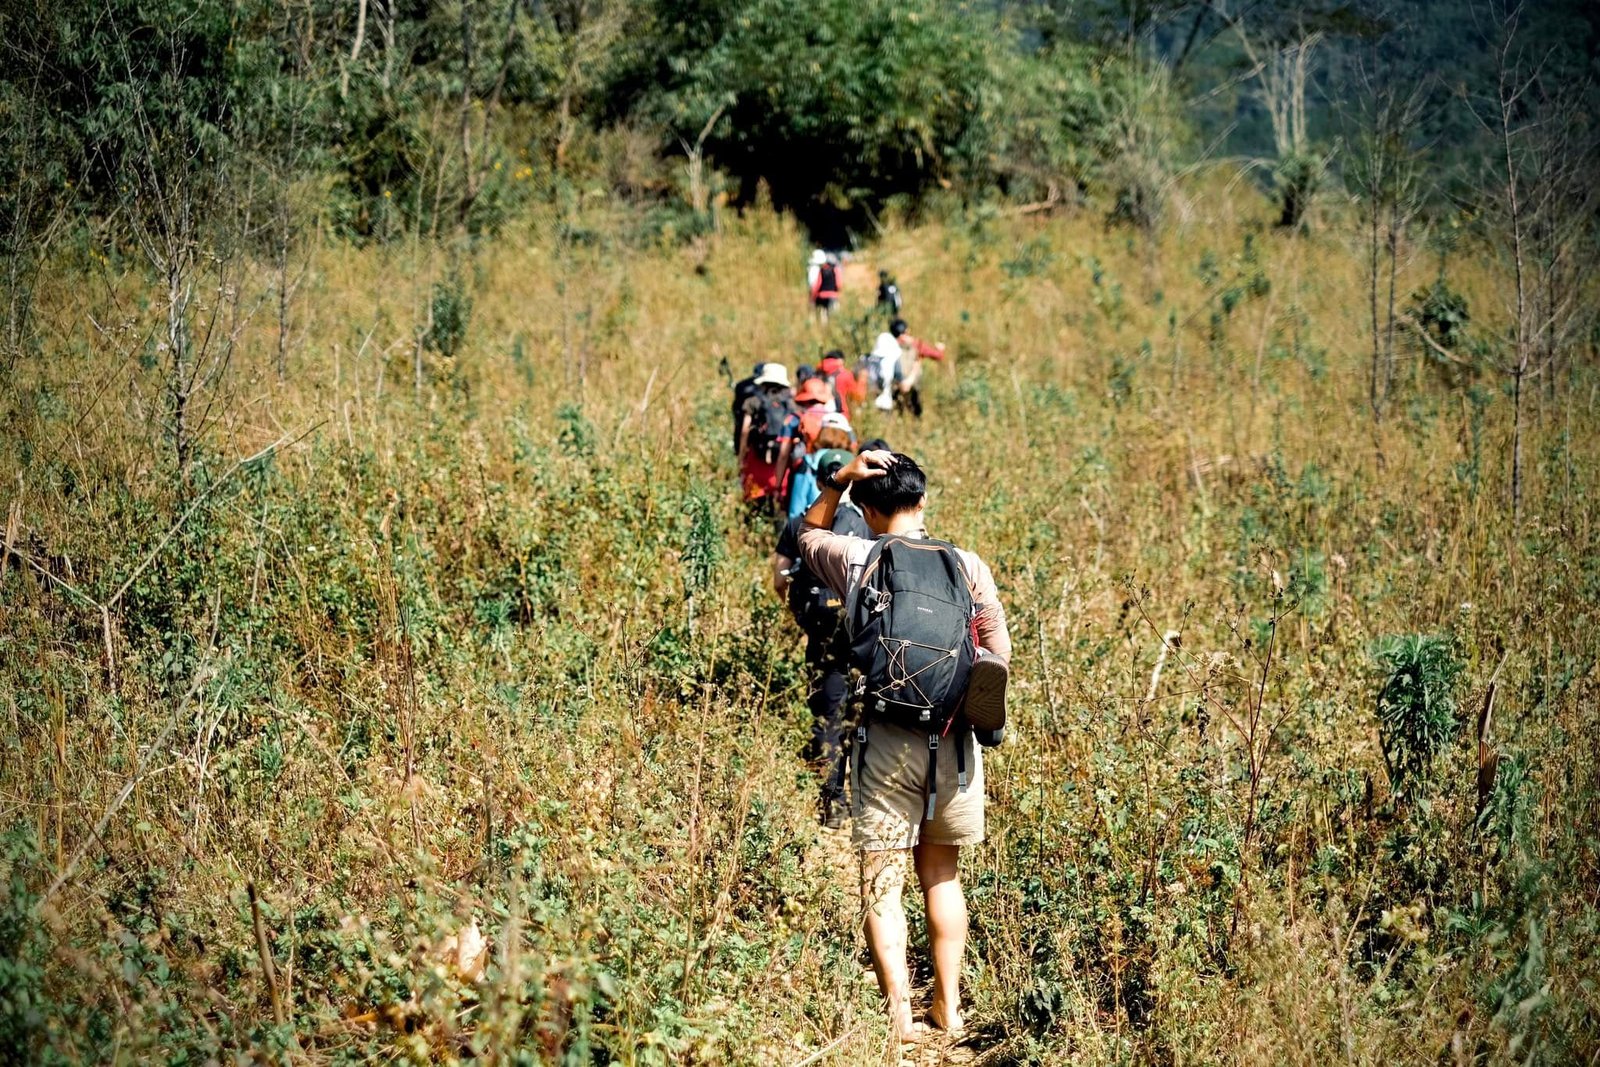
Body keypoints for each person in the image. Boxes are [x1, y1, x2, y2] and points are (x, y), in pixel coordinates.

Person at [797, 450, 1010, 1041]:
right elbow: (998, 652)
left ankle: (898, 1014)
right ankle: (949, 1008)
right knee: (942, 875)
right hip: (956, 742)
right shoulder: (968, 565)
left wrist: (839, 480)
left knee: (881, 877)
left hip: (887, 738)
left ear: (865, 511)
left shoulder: (858, 555)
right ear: (923, 501)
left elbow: (806, 535)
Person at [772, 447, 871, 828]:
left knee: (828, 712)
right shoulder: (867, 526)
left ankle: (833, 802)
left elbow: (779, 578)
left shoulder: (799, 524)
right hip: (861, 634)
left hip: (821, 632)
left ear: (819, 480)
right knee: (855, 714)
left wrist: (797, 615)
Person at [736, 363, 799, 513]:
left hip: (757, 456)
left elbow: (745, 430)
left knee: (754, 495)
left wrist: (741, 455)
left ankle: (754, 521)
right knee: (777, 499)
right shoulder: (790, 404)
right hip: (779, 460)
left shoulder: (753, 401)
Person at [787, 414, 856, 521]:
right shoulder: (851, 462)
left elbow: (796, 507)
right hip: (846, 526)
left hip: (811, 523)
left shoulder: (808, 462)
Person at [816, 350, 862, 418]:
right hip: (841, 414)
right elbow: (857, 397)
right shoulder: (846, 374)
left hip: (819, 413)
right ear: (841, 360)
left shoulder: (818, 372)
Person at [808, 250, 841, 325]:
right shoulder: (835, 269)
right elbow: (838, 284)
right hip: (833, 296)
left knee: (824, 318)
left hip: (822, 297)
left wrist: (813, 297)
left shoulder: (821, 270)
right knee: (834, 317)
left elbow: (818, 285)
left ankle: (824, 331)